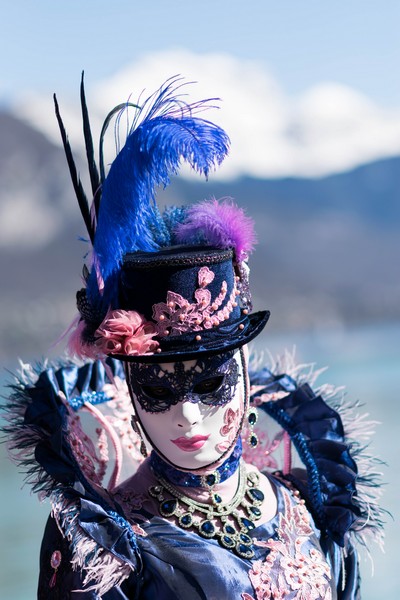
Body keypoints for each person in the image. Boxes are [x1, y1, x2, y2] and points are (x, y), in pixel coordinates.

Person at [2, 76, 384, 599]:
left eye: (210, 384)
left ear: (244, 370)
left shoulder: (306, 503)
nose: (187, 415)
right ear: (132, 389)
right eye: (158, 391)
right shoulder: (105, 547)